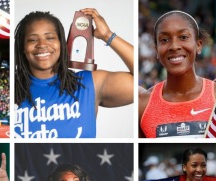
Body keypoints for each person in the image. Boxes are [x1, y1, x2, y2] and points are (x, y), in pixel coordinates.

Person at [14, 8, 133, 138]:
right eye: (32, 40)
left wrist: (107, 35)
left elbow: (137, 80)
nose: (42, 44)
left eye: (50, 37)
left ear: (61, 44)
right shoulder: (12, 89)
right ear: (22, 47)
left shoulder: (88, 84)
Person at [139, 10, 216, 138]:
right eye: (164, 40)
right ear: (156, 50)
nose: (174, 46)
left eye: (184, 37)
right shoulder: (142, 104)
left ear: (198, 45)